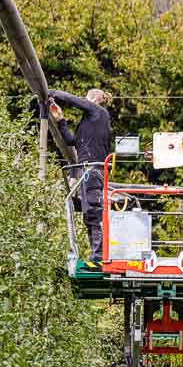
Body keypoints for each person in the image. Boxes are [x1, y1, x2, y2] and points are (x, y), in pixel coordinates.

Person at [48, 88, 113, 261]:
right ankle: (96, 254)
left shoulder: (99, 112)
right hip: (87, 170)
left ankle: (99, 256)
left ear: (92, 99)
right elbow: (71, 141)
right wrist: (60, 120)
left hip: (93, 169)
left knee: (94, 211)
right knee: (89, 214)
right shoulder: (89, 124)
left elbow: (74, 100)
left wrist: (50, 92)